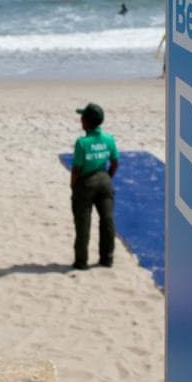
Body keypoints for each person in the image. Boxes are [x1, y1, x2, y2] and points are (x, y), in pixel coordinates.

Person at [70, 103, 119, 269]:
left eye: (82, 117)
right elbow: (115, 161)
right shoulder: (109, 138)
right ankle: (107, 258)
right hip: (104, 180)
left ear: (87, 122)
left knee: (83, 222)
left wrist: (73, 186)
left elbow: (76, 168)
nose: (80, 120)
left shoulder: (82, 143)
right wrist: (108, 177)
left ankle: (81, 261)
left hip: (86, 182)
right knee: (107, 219)